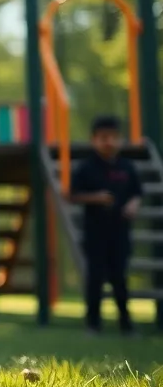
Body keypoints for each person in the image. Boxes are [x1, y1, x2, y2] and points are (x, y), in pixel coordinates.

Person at [68, 114, 142, 336]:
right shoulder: (86, 168)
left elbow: (137, 193)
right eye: (103, 138)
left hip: (120, 232)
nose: (108, 142)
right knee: (95, 278)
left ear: (120, 140)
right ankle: (93, 324)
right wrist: (96, 198)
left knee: (120, 277)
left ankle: (126, 324)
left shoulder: (127, 167)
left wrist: (132, 205)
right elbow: (72, 196)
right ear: (94, 140)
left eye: (113, 137)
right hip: (95, 233)